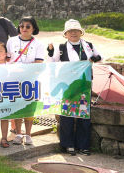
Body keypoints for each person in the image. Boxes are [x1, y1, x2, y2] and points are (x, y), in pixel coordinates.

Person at [49, 19, 102, 156]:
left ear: (80, 32)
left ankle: (83, 145)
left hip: (84, 85)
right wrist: (50, 52)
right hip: (67, 86)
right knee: (67, 114)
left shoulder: (88, 46)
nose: (73, 33)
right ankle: (68, 144)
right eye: (70, 31)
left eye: (76, 30)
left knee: (83, 115)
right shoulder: (60, 48)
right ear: (65, 34)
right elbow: (52, 63)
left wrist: (95, 59)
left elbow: (100, 57)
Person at [6, 16, 45, 146]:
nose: (24, 29)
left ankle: (28, 134)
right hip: (14, 79)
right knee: (17, 107)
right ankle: (18, 134)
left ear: (33, 28)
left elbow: (39, 62)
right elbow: (7, 59)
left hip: (31, 79)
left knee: (29, 108)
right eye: (22, 26)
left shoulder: (38, 44)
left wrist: (22, 68)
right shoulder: (11, 41)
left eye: (28, 26)